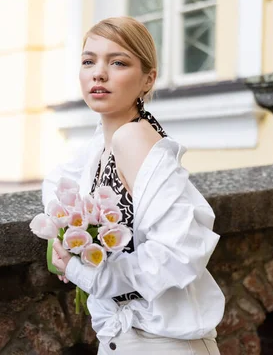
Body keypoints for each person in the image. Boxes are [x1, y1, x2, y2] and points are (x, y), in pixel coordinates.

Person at [43, 17, 225, 354]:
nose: (98, 73)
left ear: (148, 79)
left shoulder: (133, 138)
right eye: (88, 61)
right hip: (124, 339)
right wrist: (72, 239)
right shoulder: (101, 145)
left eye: (118, 62)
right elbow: (56, 187)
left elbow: (181, 249)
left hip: (161, 343)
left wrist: (87, 274)